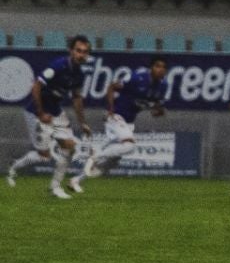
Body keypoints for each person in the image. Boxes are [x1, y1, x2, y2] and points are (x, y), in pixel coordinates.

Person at [9, 34, 93, 198]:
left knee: (69, 147)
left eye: (85, 52)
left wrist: (83, 123)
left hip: (55, 111)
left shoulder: (79, 75)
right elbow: (36, 86)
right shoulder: (58, 66)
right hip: (36, 112)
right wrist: (41, 113)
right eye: (78, 50)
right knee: (44, 156)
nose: (81, 54)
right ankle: (15, 166)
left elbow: (76, 98)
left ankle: (55, 187)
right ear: (71, 51)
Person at [82, 56, 169, 181]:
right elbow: (112, 87)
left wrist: (159, 111)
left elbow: (156, 108)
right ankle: (95, 156)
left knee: (113, 161)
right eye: (157, 66)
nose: (160, 70)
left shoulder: (163, 86)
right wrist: (111, 109)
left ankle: (76, 180)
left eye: (164, 67)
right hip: (116, 115)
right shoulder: (137, 77)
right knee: (129, 146)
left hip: (129, 122)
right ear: (151, 68)